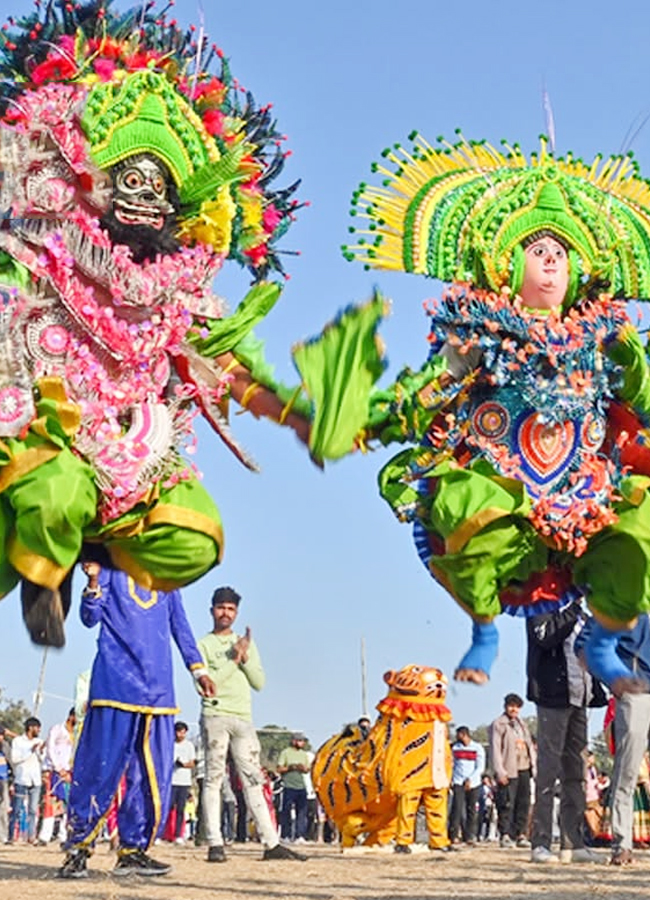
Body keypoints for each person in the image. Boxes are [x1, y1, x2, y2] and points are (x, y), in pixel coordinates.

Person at [59, 562, 216, 879]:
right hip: (114, 685)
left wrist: (198, 670)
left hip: (157, 692)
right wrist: (92, 581)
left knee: (149, 776)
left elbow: (180, 626)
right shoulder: (108, 567)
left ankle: (132, 851)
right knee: (99, 770)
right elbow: (90, 618)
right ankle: (78, 850)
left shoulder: (167, 577)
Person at [198, 586, 306, 863]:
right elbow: (209, 686)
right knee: (213, 778)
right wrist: (234, 658)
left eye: (231, 609)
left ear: (236, 613)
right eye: (221, 607)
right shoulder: (204, 645)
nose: (226, 613)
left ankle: (271, 843)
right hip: (216, 715)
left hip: (243, 718)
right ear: (212, 610)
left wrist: (244, 657)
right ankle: (215, 843)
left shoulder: (245, 643)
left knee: (253, 779)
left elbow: (259, 682)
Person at [526, 600, 606, 863]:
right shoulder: (539, 608)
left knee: (577, 773)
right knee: (548, 772)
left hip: (580, 699)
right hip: (552, 698)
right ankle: (541, 842)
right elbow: (546, 638)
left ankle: (573, 842)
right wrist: (571, 610)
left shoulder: (583, 614)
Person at [576, 614, 650, 865]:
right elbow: (583, 644)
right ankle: (622, 844)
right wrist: (614, 678)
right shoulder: (619, 600)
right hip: (635, 692)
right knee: (628, 772)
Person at [489, 694, 536, 848]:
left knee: (523, 802)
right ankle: (505, 835)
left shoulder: (522, 724)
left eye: (516, 706)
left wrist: (534, 767)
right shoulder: (499, 724)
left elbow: (530, 746)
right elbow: (495, 749)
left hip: (524, 767)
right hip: (508, 769)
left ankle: (521, 834)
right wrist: (500, 771)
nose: (513, 709)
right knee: (507, 803)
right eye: (511, 706)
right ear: (506, 706)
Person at [38, 707, 76, 845]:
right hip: (54, 772)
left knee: (67, 805)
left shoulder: (77, 734)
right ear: (71, 716)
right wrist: (58, 768)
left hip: (69, 773)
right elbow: (50, 749)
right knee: (50, 804)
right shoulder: (57, 729)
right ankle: (45, 836)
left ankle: (64, 836)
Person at [9, 717, 43, 843]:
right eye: (37, 728)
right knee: (17, 809)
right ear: (30, 728)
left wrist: (40, 751)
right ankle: (12, 835)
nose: (39, 730)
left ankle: (31, 836)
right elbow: (15, 759)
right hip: (22, 779)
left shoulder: (39, 741)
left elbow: (42, 759)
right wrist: (30, 751)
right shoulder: (18, 741)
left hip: (36, 779)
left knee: (33, 810)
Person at [449, 726, 485, 846]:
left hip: (473, 783)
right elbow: (452, 764)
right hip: (458, 781)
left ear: (464, 734)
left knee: (472, 810)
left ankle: (470, 835)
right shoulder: (455, 748)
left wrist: (470, 779)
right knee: (457, 809)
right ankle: (453, 835)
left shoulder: (477, 748)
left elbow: (480, 767)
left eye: (459, 735)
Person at [277, 734, 311, 843]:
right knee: (286, 811)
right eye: (300, 741)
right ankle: (285, 835)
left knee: (301, 812)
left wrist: (303, 768)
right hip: (288, 786)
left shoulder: (303, 754)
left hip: (301, 786)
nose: (302, 743)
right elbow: (279, 768)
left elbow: (307, 769)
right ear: (294, 741)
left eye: (303, 741)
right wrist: (290, 768)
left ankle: (299, 836)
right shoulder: (285, 752)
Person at [169, 721, 196, 845]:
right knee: (167, 808)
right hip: (171, 781)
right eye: (179, 732)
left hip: (184, 781)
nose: (181, 734)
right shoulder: (170, 744)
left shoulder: (189, 745)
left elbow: (193, 763)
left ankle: (178, 835)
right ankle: (163, 833)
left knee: (181, 809)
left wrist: (184, 765)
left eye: (183, 732)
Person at [0, 726, 11, 844]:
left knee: (3, 809)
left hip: (3, 780)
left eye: (2, 735)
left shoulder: (5, 747)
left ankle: (3, 835)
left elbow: (11, 762)